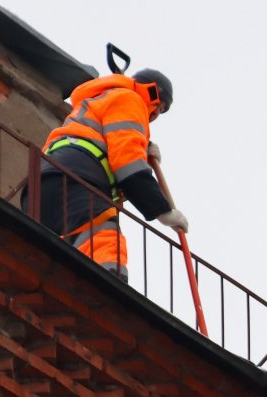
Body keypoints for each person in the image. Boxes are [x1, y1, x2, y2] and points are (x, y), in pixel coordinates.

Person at [36, 67, 186, 277]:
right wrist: (162, 210)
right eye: (159, 105)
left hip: (43, 186)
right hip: (77, 179)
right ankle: (108, 300)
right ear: (151, 91)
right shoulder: (130, 99)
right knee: (105, 244)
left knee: (58, 260)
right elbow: (128, 162)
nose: (156, 114)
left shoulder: (103, 99)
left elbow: (111, 141)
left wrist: (144, 147)